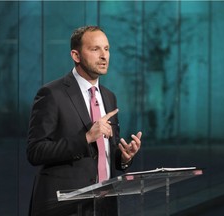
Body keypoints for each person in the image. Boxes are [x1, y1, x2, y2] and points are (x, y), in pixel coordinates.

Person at [27, 25, 142, 216]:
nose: (104, 56)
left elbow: (104, 155)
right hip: (65, 206)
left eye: (106, 49)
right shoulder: (52, 94)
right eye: (95, 49)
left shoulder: (109, 97)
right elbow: (35, 152)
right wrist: (86, 137)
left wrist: (123, 158)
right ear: (76, 55)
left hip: (104, 205)